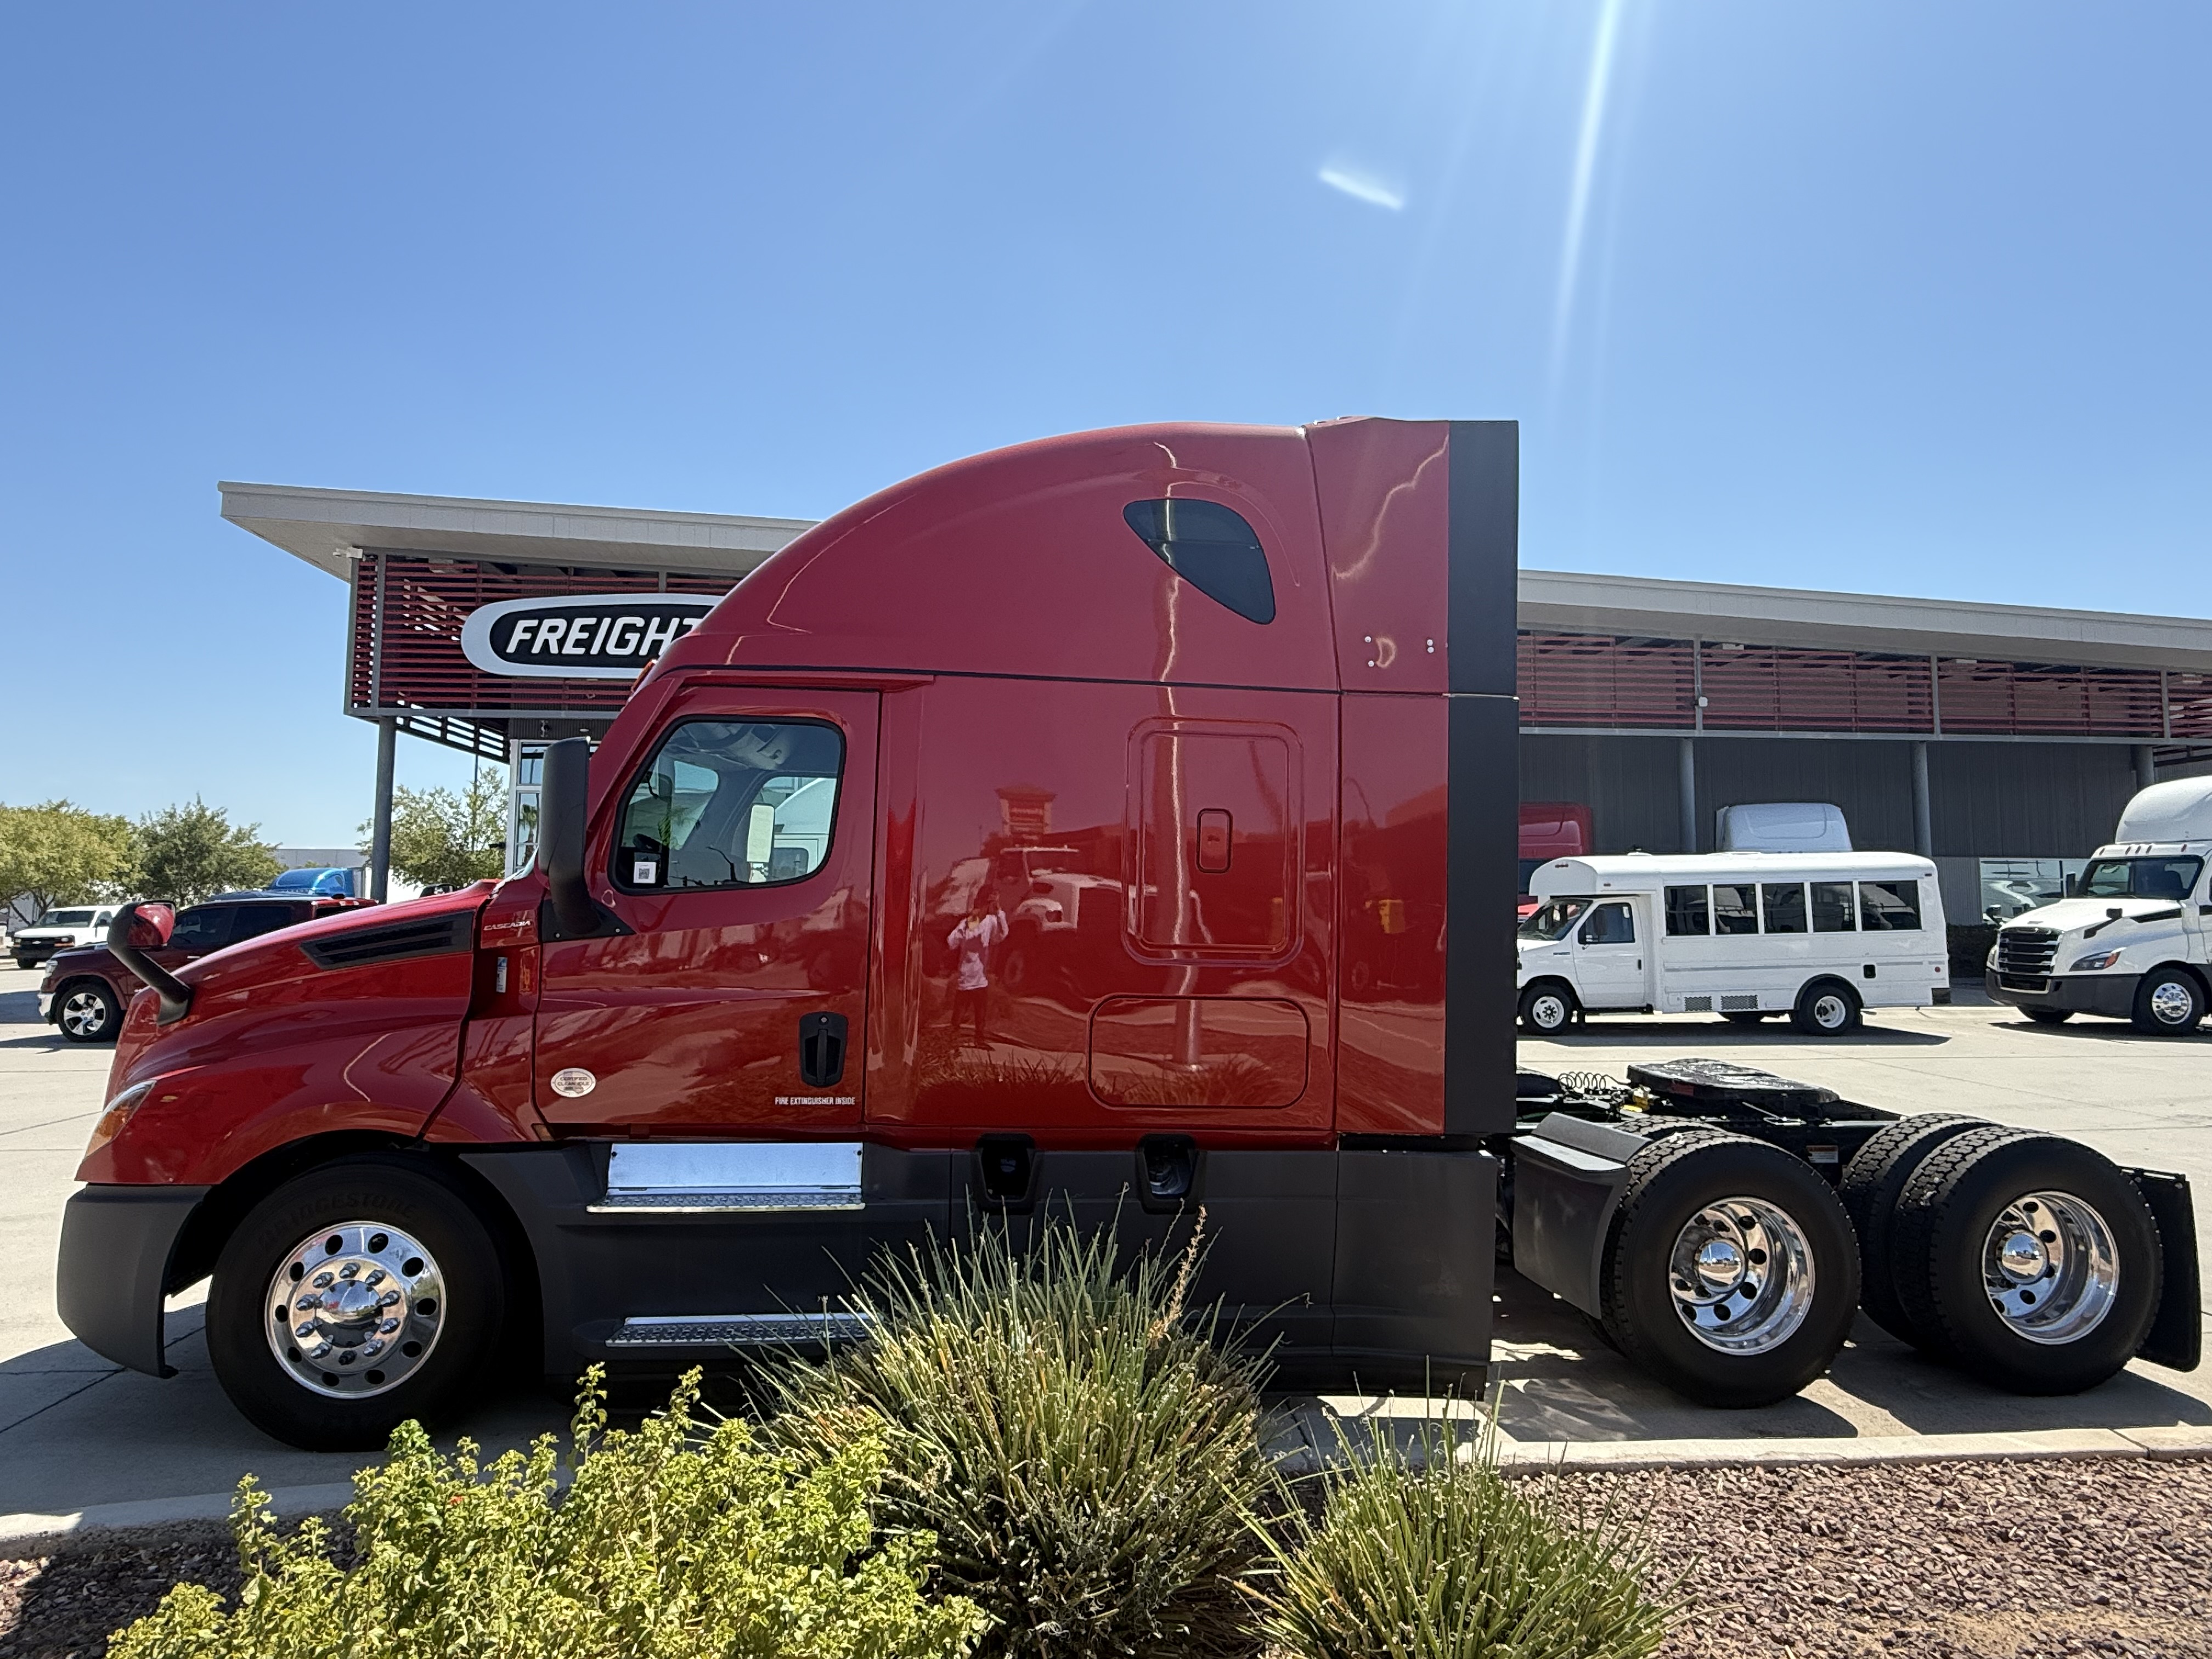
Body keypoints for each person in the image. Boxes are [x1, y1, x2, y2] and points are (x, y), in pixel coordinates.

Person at [946, 893, 1007, 1047]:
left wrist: (1000, 913)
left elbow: (1001, 935)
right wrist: (970, 922)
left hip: (981, 977)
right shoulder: (967, 923)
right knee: (960, 1009)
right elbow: (954, 941)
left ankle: (979, 1039)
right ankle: (952, 1038)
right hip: (966, 975)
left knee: (981, 1011)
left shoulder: (991, 921)